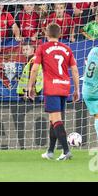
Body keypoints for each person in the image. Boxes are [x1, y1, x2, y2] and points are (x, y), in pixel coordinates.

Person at [27, 23, 80, 161]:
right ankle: (50, 151)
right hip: (64, 87)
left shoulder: (43, 48)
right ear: (60, 34)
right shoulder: (67, 49)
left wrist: (30, 86)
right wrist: (77, 89)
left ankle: (66, 151)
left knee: (56, 120)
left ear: (46, 34)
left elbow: (34, 68)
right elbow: (74, 70)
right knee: (53, 119)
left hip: (52, 88)